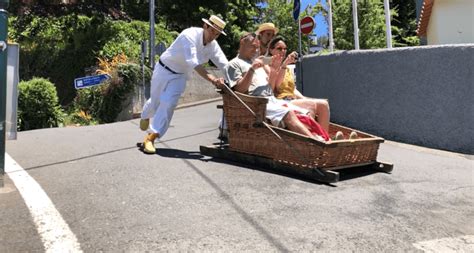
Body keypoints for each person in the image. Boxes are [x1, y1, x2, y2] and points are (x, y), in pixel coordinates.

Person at [139, 14, 228, 154]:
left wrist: (238, 78)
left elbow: (225, 64)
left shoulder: (213, 46)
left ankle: (151, 137)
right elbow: (194, 63)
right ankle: (145, 115)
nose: (213, 36)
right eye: (212, 31)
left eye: (217, 34)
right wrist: (213, 79)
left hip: (180, 76)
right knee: (155, 102)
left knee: (169, 103)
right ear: (205, 26)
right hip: (163, 69)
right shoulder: (189, 35)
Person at [225, 32, 325, 140]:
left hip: (271, 100)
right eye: (253, 46)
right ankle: (317, 144)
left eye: (257, 47)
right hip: (256, 104)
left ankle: (317, 138)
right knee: (288, 113)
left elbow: (270, 89)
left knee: (307, 111)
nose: (255, 50)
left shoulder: (258, 62)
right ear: (242, 43)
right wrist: (252, 69)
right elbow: (239, 89)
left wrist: (273, 71)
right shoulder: (234, 64)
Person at [266, 36, 331, 133]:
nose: (283, 51)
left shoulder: (287, 68)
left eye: (285, 49)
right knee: (311, 105)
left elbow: (293, 90)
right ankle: (317, 138)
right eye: (279, 48)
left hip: (292, 98)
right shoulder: (269, 66)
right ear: (271, 50)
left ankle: (325, 136)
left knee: (324, 104)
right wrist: (284, 64)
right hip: (281, 101)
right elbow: (277, 87)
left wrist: (305, 98)